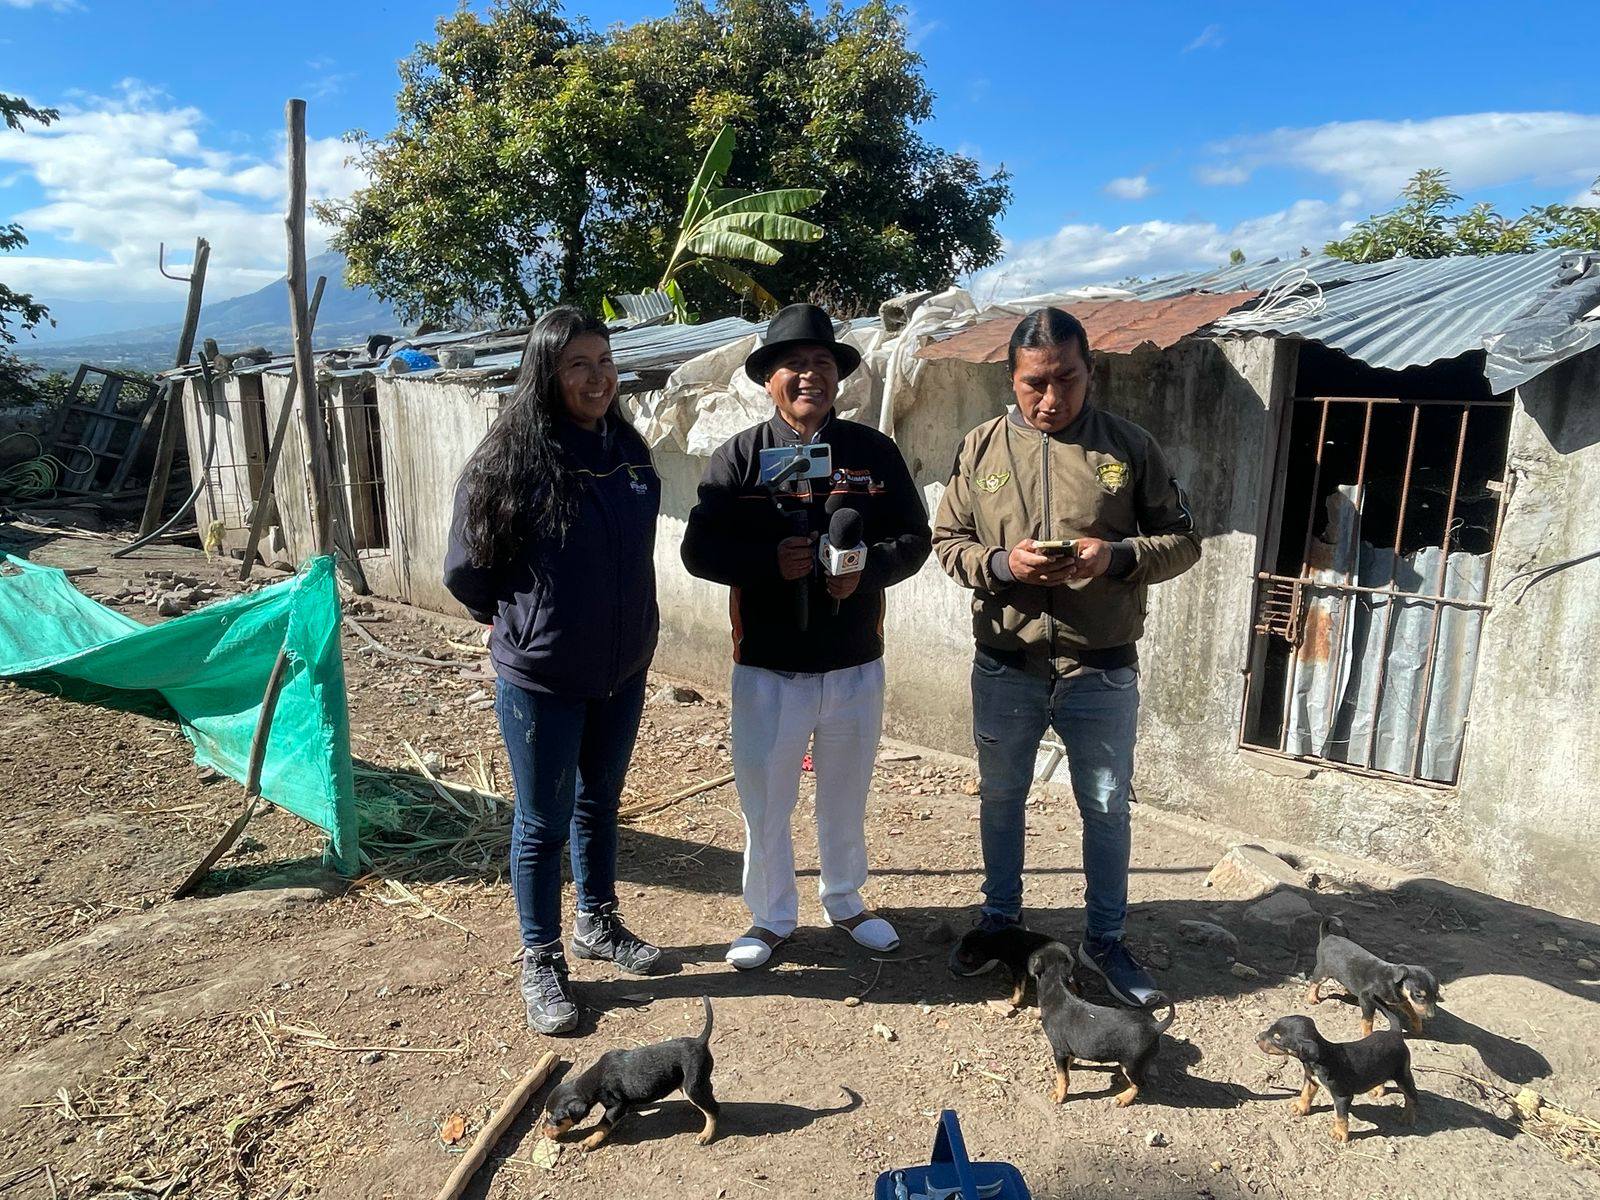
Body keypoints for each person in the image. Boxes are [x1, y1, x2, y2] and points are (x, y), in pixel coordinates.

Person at [932, 307, 1200, 1008]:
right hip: (1006, 664)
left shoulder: (1130, 446)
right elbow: (947, 543)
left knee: (1106, 807)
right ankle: (1001, 923)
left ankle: (1105, 939)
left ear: (1091, 372)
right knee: (1001, 800)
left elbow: (1183, 541)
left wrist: (1116, 557)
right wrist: (1003, 564)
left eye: (1067, 379)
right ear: (1011, 378)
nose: (1051, 398)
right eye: (1035, 383)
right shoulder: (981, 448)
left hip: (1100, 668)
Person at [681, 303, 932, 970]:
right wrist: (769, 563)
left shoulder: (872, 454)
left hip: (854, 664)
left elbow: (914, 539)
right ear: (769, 379)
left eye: (821, 362)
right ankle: (770, 917)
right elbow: (698, 551)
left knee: (845, 795)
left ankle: (846, 901)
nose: (808, 375)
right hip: (768, 667)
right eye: (793, 364)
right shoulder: (739, 457)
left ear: (838, 376)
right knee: (766, 801)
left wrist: (865, 570)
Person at [443, 306, 663, 1035]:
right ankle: (540, 959)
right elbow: (467, 571)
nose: (598, 378)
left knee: (600, 802)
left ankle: (597, 920)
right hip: (543, 676)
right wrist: (522, 621)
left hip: (622, 667)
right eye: (578, 365)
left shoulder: (627, 450)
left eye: (605, 361)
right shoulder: (509, 463)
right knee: (541, 822)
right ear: (546, 373)